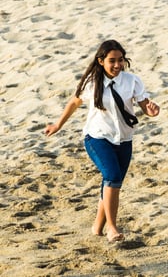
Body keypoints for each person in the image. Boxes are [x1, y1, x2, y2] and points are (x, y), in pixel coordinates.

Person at [44, 40, 160, 242]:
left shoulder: (132, 81)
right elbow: (74, 102)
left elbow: (145, 106)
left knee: (112, 183)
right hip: (97, 137)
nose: (117, 65)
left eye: (120, 60)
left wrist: (151, 111)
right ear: (101, 61)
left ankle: (97, 227)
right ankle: (112, 228)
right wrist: (58, 125)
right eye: (112, 61)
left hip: (124, 139)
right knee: (112, 176)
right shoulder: (91, 82)